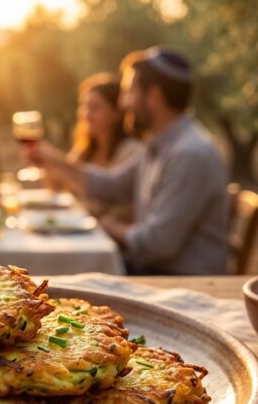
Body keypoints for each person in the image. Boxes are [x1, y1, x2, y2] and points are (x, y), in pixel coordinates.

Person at [27, 47, 229, 275]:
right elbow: (110, 185)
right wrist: (53, 160)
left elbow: (158, 244)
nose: (123, 104)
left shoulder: (189, 154)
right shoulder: (158, 146)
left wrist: (111, 227)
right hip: (154, 270)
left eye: (129, 92)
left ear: (153, 96)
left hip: (179, 280)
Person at [67, 72, 142, 221]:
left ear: (117, 113)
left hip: (109, 241)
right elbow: (60, 184)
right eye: (84, 106)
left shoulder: (132, 151)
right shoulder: (85, 148)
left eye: (95, 108)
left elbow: (125, 208)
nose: (86, 114)